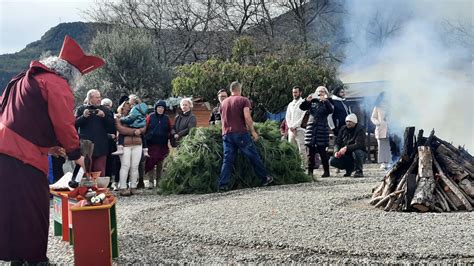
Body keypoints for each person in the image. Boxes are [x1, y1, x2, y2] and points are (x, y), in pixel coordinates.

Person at [0, 35, 104, 264]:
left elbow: (19, 119)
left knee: (12, 206)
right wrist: (76, 154)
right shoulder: (56, 84)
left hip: (4, 151)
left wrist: (48, 147)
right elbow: (64, 123)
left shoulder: (21, 79)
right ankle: (36, 260)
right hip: (23, 157)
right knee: (35, 207)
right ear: (71, 75)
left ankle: (16, 258)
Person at [218, 81, 273, 191]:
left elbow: (222, 119)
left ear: (231, 90)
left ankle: (223, 184)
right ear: (240, 89)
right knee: (253, 155)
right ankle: (265, 178)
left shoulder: (223, 103)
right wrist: (253, 131)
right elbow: (247, 117)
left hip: (226, 134)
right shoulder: (243, 100)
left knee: (227, 160)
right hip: (240, 133)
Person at [75, 89, 115, 176]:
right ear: (90, 98)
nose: (99, 99)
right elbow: (74, 125)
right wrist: (83, 117)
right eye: (97, 97)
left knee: (100, 171)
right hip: (86, 146)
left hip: (101, 145)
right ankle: (85, 189)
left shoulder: (105, 110)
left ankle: (99, 189)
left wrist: (104, 116)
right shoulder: (81, 109)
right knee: (86, 171)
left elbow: (112, 126)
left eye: (100, 97)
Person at [300, 86, 333, 178]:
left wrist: (325, 101)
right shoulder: (312, 101)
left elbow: (331, 110)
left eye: (322, 91)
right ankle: (310, 172)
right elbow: (302, 107)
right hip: (311, 128)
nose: (320, 93)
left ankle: (326, 171)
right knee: (310, 153)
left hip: (322, 129)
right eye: (318, 91)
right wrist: (307, 100)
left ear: (325, 93)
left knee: (323, 152)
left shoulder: (327, 102)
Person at [115, 105, 146, 196]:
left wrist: (140, 130)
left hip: (137, 143)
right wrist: (134, 131)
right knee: (125, 166)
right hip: (125, 144)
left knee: (135, 166)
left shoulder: (139, 116)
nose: (128, 108)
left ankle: (133, 187)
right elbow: (121, 129)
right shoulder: (118, 118)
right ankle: (123, 187)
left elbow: (144, 127)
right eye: (125, 107)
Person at [144, 100, 172, 189]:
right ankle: (151, 182)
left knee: (160, 164)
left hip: (162, 145)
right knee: (150, 163)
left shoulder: (166, 118)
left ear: (164, 109)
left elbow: (170, 129)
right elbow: (145, 128)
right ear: (156, 108)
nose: (160, 109)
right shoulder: (150, 117)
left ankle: (159, 181)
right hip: (151, 144)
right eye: (159, 107)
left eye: (162, 107)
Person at [285, 86, 307, 168]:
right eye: (293, 92)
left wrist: (295, 126)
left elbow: (303, 117)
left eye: (296, 92)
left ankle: (303, 166)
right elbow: (287, 117)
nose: (294, 94)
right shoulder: (290, 104)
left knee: (301, 149)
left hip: (300, 129)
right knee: (291, 149)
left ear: (300, 93)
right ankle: (293, 166)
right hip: (291, 131)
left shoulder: (303, 103)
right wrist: (290, 127)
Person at [371, 92, 391, 170]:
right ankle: (383, 163)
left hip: (389, 129)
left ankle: (389, 162)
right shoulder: (377, 107)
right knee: (381, 147)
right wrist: (377, 123)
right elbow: (373, 117)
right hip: (380, 129)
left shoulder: (391, 107)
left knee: (389, 147)